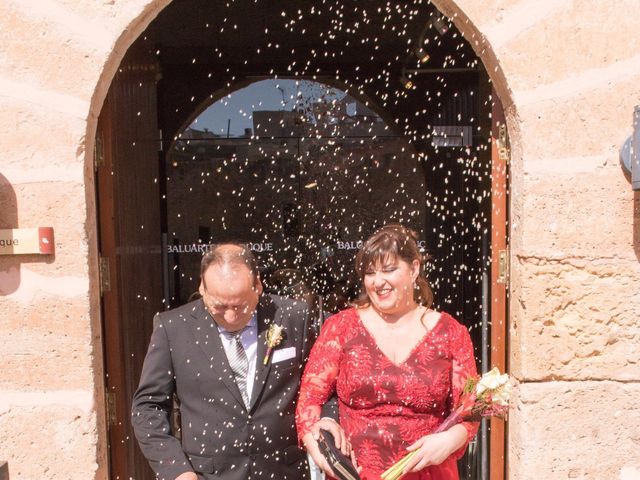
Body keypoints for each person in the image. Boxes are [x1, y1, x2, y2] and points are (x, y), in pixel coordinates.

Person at [132, 243, 345, 480]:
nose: (231, 316)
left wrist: (327, 419)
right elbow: (147, 407)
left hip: (284, 472)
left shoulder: (294, 317)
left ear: (258, 286)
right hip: (209, 475)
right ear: (202, 288)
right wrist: (176, 470)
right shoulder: (173, 328)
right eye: (219, 306)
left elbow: (329, 386)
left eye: (240, 305)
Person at [296, 225, 479, 480]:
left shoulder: (451, 332)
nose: (378, 282)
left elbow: (470, 408)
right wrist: (321, 451)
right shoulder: (341, 327)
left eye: (389, 270)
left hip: (429, 472)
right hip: (358, 474)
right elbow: (309, 401)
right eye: (370, 273)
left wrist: (451, 439)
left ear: (414, 269)